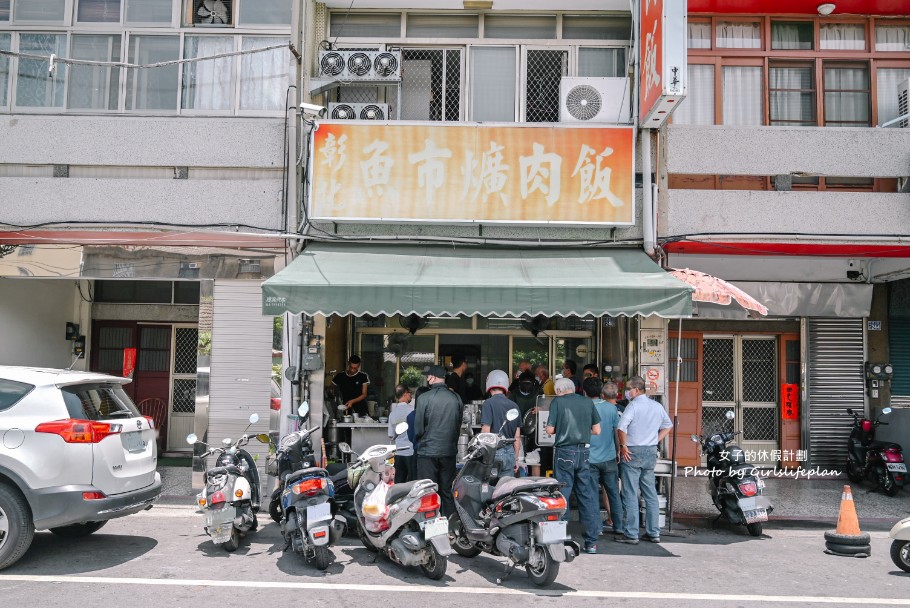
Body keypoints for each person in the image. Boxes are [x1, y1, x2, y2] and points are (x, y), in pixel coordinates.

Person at [546, 377, 602, 555]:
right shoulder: (587, 401)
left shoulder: (558, 402)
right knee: (586, 495)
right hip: (584, 453)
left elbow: (549, 430)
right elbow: (597, 430)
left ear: (560, 390)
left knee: (562, 495)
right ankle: (591, 542)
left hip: (564, 452)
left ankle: (559, 541)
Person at [616, 376, 673, 545]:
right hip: (650, 451)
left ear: (637, 390)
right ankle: (653, 532)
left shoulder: (633, 406)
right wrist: (656, 440)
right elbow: (668, 425)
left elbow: (621, 427)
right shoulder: (657, 406)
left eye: (628, 389)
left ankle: (631, 533)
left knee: (630, 493)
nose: (626, 392)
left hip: (632, 451)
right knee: (650, 493)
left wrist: (623, 446)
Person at [414, 364, 464, 517]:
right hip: (448, 452)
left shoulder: (424, 398)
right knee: (447, 490)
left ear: (433, 378)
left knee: (427, 491)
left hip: (427, 452)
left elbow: (418, 429)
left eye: (428, 376)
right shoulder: (456, 398)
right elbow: (458, 425)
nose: (427, 378)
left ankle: (429, 527)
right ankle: (449, 527)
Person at [587, 379, 623, 536]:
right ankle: (619, 526)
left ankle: (597, 528)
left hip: (590, 457)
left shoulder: (585, 407)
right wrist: (618, 450)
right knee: (614, 492)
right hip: (609, 457)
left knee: (592, 494)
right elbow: (616, 431)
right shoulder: (611, 408)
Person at [480, 370, 521, 477]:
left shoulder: (488, 403)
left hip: (494, 453)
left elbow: (486, 432)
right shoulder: (514, 406)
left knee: (491, 488)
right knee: (506, 489)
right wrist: (516, 459)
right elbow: (517, 436)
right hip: (510, 453)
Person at [388, 384, 415, 483]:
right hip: (411, 452)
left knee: (399, 482)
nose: (411, 395)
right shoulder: (413, 411)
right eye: (409, 393)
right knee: (412, 482)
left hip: (399, 453)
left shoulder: (392, 414)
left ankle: (398, 498)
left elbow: (391, 436)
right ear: (404, 394)